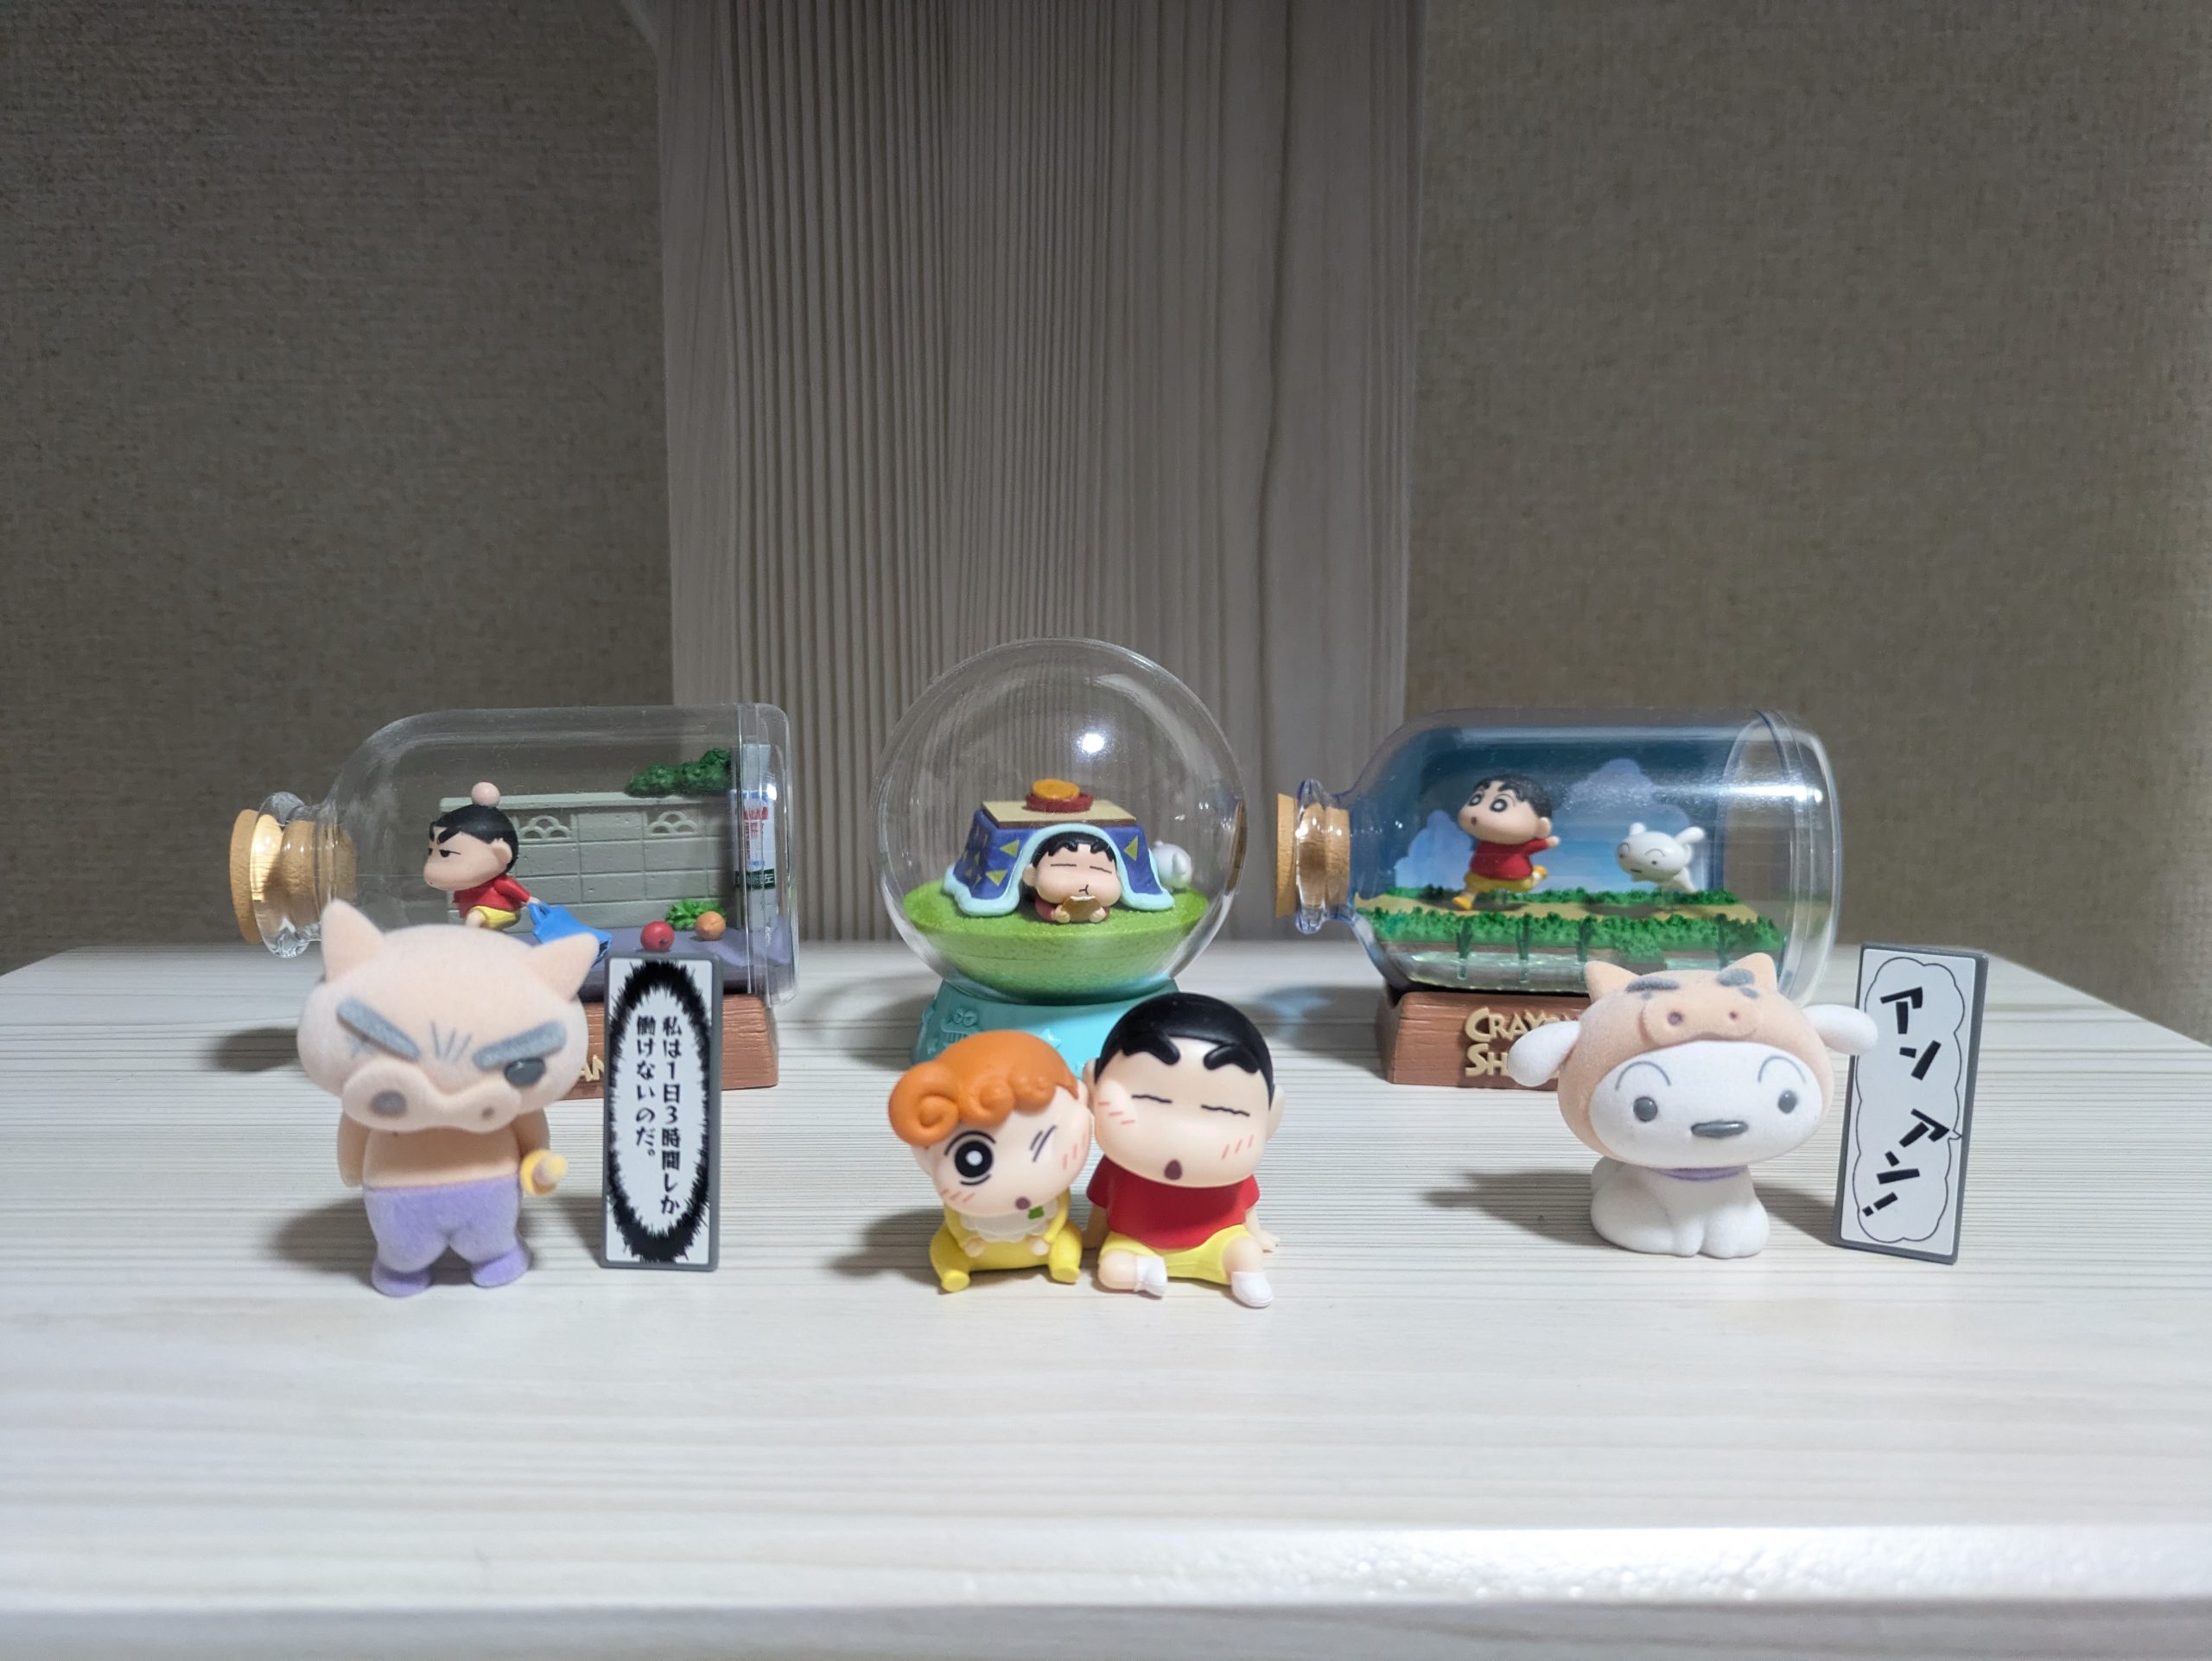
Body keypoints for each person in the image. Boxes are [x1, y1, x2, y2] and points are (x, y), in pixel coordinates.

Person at [1083, 992, 1283, 1308]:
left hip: (1217, 1241)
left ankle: (1247, 1275)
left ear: (1271, 1117)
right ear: (1092, 1089)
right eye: (1151, 1099)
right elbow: (1100, 1207)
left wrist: (1256, 1236)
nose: (1181, 1133)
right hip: (1135, 1242)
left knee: (1246, 1251)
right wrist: (1091, 1239)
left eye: (1223, 1110)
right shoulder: (1119, 1168)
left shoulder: (1232, 1174)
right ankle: (1147, 1274)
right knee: (1112, 1268)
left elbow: (1247, 1208)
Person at [888, 1030, 1092, 1292]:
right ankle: (954, 1269)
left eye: (1044, 1146)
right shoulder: (958, 1201)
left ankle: (1063, 1262)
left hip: (1040, 1244)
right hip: (977, 1250)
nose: (1015, 1181)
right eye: (972, 1161)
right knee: (943, 1245)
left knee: (1067, 1237)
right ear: (924, 1152)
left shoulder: (1052, 1193)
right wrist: (966, 1240)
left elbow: (1060, 1210)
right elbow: (955, 1221)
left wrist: (1050, 1235)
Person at [423, 782, 531, 929]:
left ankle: (470, 941)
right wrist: (458, 899)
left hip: (502, 910)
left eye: (446, 853)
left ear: (502, 854)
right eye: (432, 852)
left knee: (475, 918)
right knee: (478, 921)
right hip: (478, 910)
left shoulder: (499, 882)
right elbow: (460, 892)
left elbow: (512, 889)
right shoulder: (467, 884)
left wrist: (530, 900)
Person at [1452, 773, 1560, 906]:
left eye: (1500, 804)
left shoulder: (1521, 846)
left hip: (1515, 878)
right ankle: (1467, 898)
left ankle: (1537, 874)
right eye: (1476, 799)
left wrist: (1548, 842)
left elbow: (1535, 846)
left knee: (1525, 886)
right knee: (1474, 883)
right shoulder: (1484, 839)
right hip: (1481, 872)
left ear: (1540, 827)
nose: (1476, 813)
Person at [1020, 830, 1122, 924]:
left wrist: (1102, 914)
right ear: (1032, 875)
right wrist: (1053, 914)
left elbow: (1106, 909)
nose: (1082, 882)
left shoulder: (1101, 901)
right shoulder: (1043, 899)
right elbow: (1042, 907)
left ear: (1118, 877)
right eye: (1064, 868)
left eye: (1100, 870)